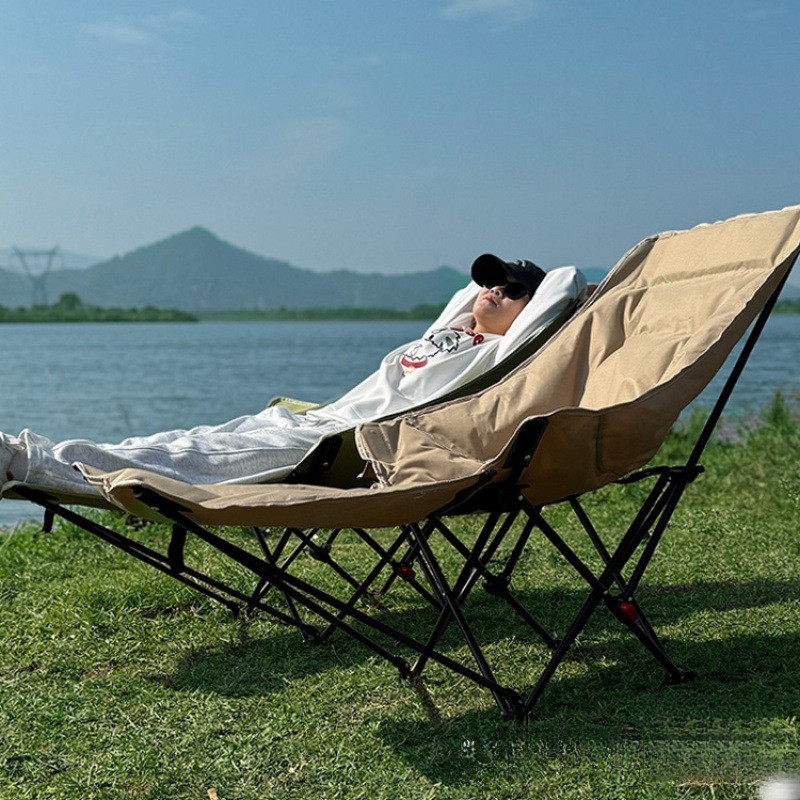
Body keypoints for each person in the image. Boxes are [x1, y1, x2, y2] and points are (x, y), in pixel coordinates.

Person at [0, 254, 555, 495]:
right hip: (319, 417)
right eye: (490, 282)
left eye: (510, 292)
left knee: (195, 463)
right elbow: (472, 299)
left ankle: (27, 462)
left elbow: (563, 288)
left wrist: (540, 302)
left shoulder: (495, 356)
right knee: (184, 441)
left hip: (352, 442)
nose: (493, 291)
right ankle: (36, 453)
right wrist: (473, 307)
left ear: (527, 310)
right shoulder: (455, 328)